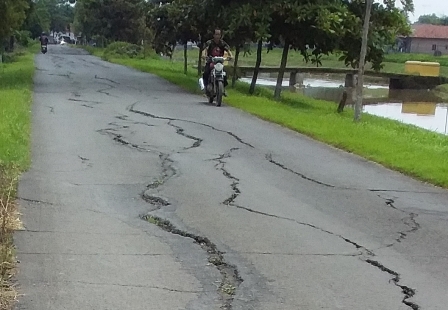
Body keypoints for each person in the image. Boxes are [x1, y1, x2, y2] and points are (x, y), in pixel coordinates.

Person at [201, 29, 233, 95]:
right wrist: (204, 55)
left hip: (219, 62)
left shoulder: (222, 43)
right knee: (206, 73)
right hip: (211, 61)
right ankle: (206, 87)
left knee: (224, 74)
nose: (217, 36)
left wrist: (231, 56)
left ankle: (223, 88)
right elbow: (205, 49)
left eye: (219, 34)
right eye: (216, 34)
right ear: (213, 35)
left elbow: (228, 50)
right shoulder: (209, 42)